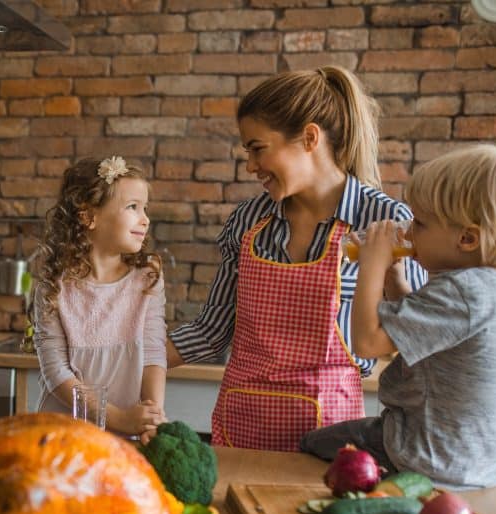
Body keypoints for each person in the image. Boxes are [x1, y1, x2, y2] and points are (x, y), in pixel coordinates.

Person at [166, 66, 427, 451]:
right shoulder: (248, 219)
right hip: (242, 432)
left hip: (331, 442)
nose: (251, 165)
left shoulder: (384, 221)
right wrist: (123, 361)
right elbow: (211, 331)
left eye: (257, 148)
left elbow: (418, 338)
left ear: (309, 138)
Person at [300, 145, 496, 488]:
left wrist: (371, 265)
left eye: (422, 223)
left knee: (310, 444)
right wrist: (394, 278)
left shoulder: (461, 290)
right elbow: (418, 333)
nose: (410, 232)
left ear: (467, 238)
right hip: (477, 466)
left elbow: (368, 344)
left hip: (421, 456)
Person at [32, 156, 167, 439]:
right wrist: (118, 418)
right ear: (89, 216)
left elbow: (154, 351)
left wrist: (151, 417)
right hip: (62, 433)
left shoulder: (147, 276)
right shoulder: (54, 285)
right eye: (132, 207)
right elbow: (56, 371)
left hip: (125, 435)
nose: (145, 219)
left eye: (145, 208)